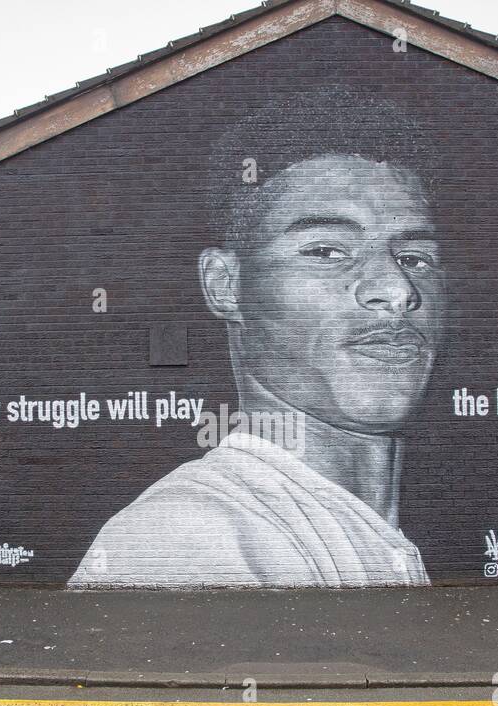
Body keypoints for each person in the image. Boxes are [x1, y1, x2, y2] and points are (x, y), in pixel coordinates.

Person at [70, 91, 444, 588]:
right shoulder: (183, 541)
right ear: (226, 285)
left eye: (416, 257)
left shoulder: (378, 531)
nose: (397, 290)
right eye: (327, 251)